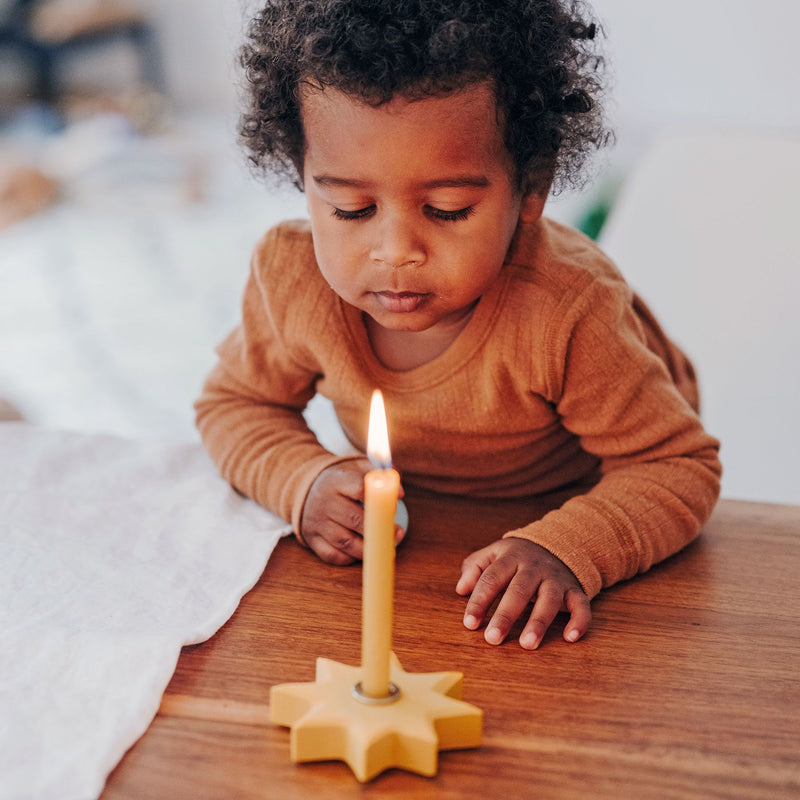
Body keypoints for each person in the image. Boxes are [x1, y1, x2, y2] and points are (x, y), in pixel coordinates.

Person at [195, 0, 721, 650]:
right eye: (351, 208)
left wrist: (566, 548)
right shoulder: (293, 277)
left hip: (559, 527)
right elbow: (235, 403)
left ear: (531, 189)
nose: (394, 251)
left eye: (447, 210)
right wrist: (299, 478)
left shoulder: (566, 309)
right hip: (421, 556)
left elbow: (677, 466)